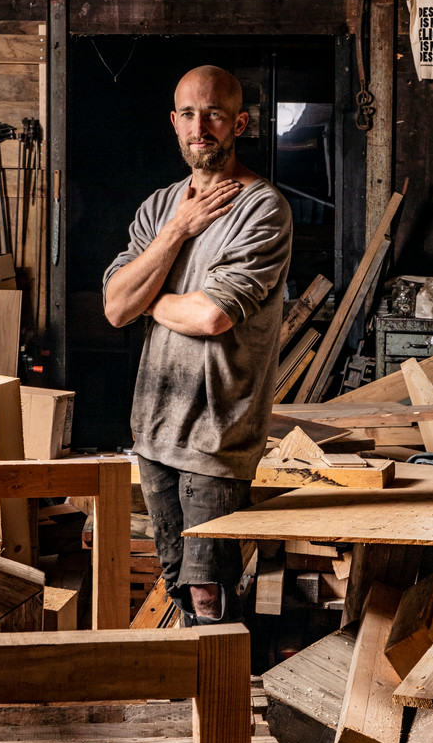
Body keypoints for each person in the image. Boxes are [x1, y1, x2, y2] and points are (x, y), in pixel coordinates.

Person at [103, 65, 292, 625]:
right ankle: (196, 700)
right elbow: (116, 307)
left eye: (213, 113)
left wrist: (150, 298)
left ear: (240, 122)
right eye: (188, 113)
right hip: (154, 426)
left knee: (209, 589)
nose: (200, 126)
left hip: (216, 435)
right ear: (174, 122)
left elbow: (212, 315)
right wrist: (176, 232)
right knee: (177, 583)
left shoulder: (263, 209)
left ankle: (224, 702)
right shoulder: (160, 208)